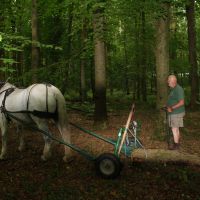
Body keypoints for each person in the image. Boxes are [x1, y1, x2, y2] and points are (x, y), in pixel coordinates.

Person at [166, 75, 185, 150]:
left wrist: (171, 108)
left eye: (168, 81)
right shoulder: (173, 89)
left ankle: (176, 146)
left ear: (173, 81)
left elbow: (182, 102)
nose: (167, 82)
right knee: (176, 129)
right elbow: (173, 100)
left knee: (174, 129)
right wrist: (167, 105)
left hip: (176, 113)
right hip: (174, 112)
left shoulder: (178, 89)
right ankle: (177, 143)